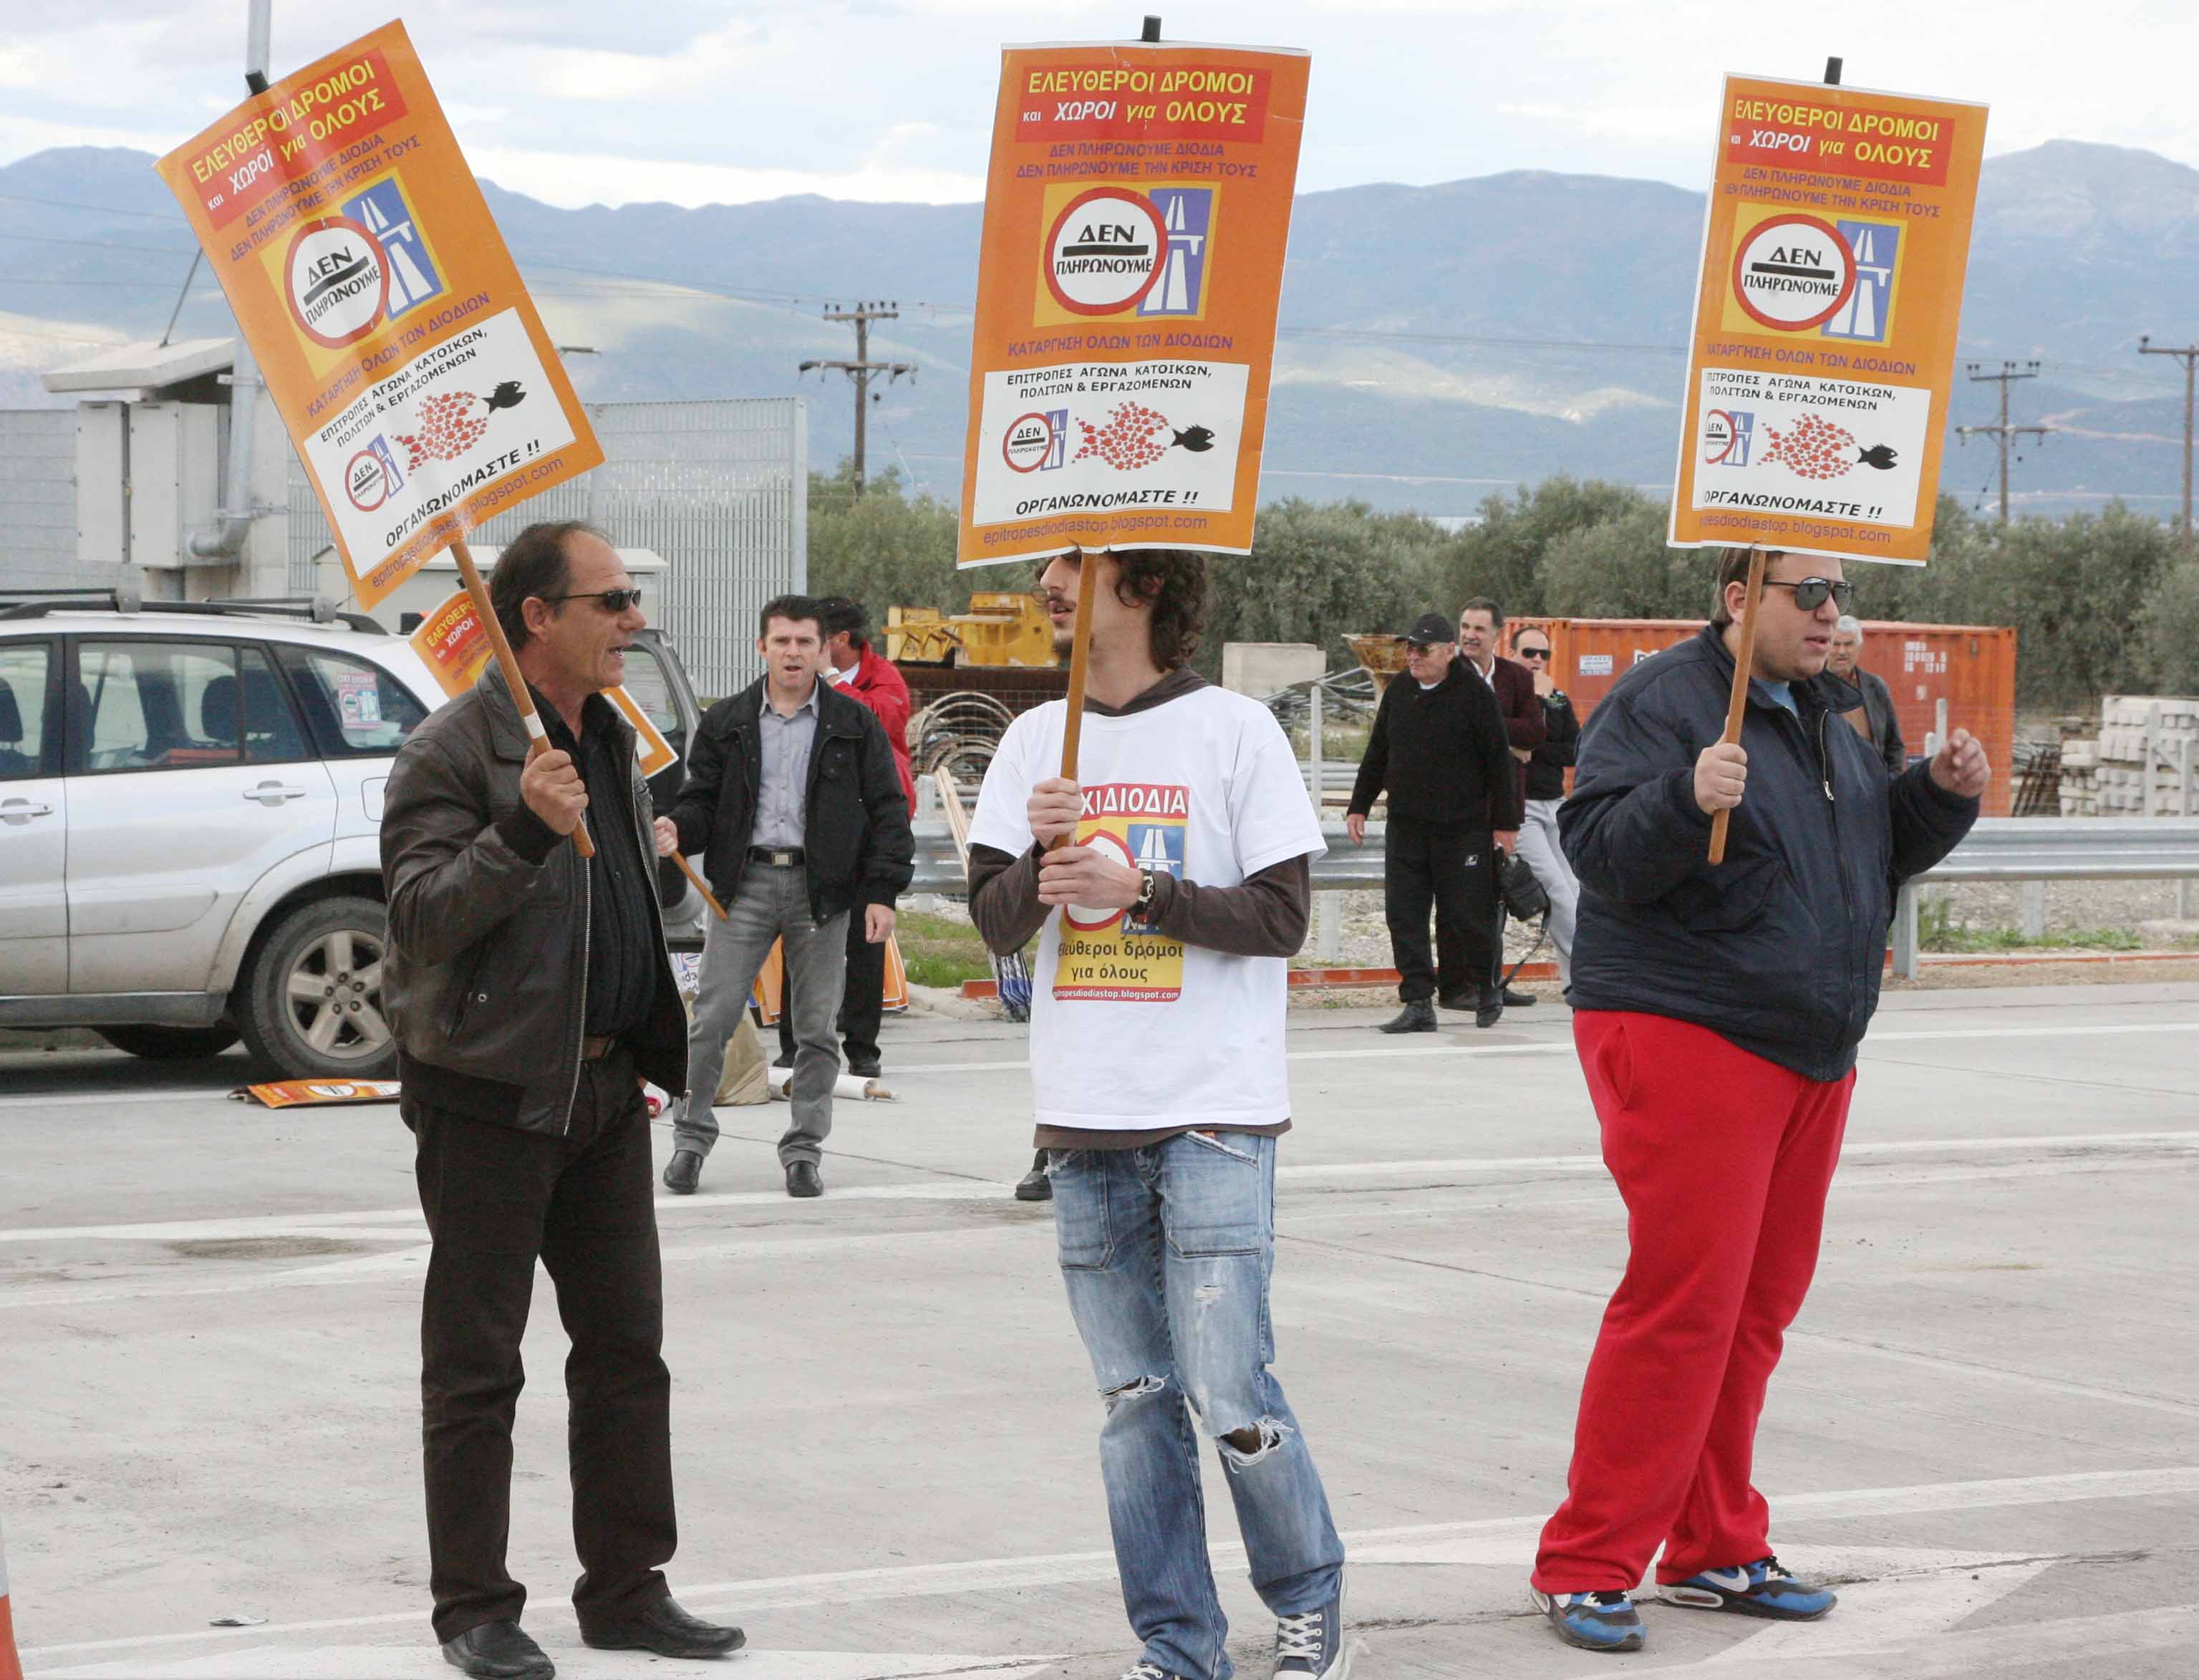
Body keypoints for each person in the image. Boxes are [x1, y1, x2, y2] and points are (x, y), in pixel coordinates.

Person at [1527, 548, 1988, 1655]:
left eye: (1839, 595)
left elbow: (1869, 852)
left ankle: (1711, 1544)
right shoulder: (1662, 699)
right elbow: (1595, 849)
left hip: (1808, 1042)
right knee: (1684, 1303)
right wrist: (1683, 798)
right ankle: (1586, 1560)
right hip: (1690, 1024)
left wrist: (1936, 794)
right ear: (1739, 599)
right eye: (1807, 593)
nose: (1831, 613)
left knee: (1752, 1309)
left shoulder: (1836, 709)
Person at [967, 548, 1353, 1680]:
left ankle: (1307, 1596)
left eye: (1073, 569)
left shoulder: (1235, 730)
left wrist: (1139, 889)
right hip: (1082, 1116)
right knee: (1135, 1404)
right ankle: (1177, 1644)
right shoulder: (1033, 741)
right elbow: (993, 924)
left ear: (1140, 587)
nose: (1048, 585)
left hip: (1214, 1111)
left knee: (1228, 1388)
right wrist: (1039, 850)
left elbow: (1281, 917)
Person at [380, 520, 744, 1680]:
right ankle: (474, 1608)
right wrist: (521, 830)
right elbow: (420, 918)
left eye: (630, 597)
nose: (633, 617)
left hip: (602, 1091)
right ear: (536, 616)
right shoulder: (453, 749)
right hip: (490, 1094)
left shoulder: (609, 738)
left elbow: (619, 903)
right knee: (477, 1363)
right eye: (611, 599)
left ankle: (627, 1589)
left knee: (627, 1350)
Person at [656, 595, 913, 1199]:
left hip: (821, 892)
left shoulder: (854, 723)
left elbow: (887, 809)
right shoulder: (728, 721)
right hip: (742, 889)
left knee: (817, 1029)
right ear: (762, 648)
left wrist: (881, 891)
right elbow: (701, 799)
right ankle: (690, 1142)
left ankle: (803, 1151)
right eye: (781, 641)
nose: (792, 653)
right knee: (711, 1020)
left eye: (804, 642)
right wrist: (678, 828)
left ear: (823, 651)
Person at [1345, 612, 1521, 1032]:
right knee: (1404, 915)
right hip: (1406, 827)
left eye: (1423, 649)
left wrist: (1505, 824)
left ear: (1448, 651)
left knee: (1468, 916)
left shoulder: (1474, 695)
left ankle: (1486, 988)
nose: (1413, 656)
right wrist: (1359, 805)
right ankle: (1418, 1002)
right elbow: (1378, 751)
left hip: (1462, 829)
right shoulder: (1400, 691)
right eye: (1410, 648)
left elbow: (1500, 763)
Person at [774, 597, 916, 1079]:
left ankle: (862, 1047)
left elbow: (881, 719)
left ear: (837, 641)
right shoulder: (798, 686)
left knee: (865, 939)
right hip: (816, 828)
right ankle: (794, 1044)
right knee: (802, 935)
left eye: (812, 638)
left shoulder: (883, 679)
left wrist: (832, 680)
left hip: (870, 829)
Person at [1454, 599, 1545, 1007]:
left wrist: (1489, 730)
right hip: (1461, 806)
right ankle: (1461, 987)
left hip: (1505, 805)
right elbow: (1454, 730)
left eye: (1479, 628)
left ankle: (1491, 983)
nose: (1470, 635)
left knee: (1497, 896)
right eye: (1465, 627)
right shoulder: (1449, 674)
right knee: (1462, 899)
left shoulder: (1516, 677)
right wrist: (1507, 742)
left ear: (1497, 634)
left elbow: (1535, 732)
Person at [1509, 627, 1583, 985]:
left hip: (1554, 803)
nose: (1537, 660)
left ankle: (1574, 982)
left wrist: (1533, 750)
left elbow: (1574, 750)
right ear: (1513, 655)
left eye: (1544, 654)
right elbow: (1516, 738)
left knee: (1574, 888)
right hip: (1521, 809)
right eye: (1529, 653)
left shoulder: (1559, 699)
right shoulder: (1506, 697)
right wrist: (1536, 701)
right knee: (1554, 887)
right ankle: (1589, 968)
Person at [1827, 615, 1907, 777]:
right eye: (1836, 644)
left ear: (1859, 648)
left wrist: (1891, 781)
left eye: (1848, 644)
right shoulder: (1810, 687)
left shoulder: (1876, 687)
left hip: (1872, 783)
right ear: (1826, 647)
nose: (1842, 651)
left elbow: (1894, 745)